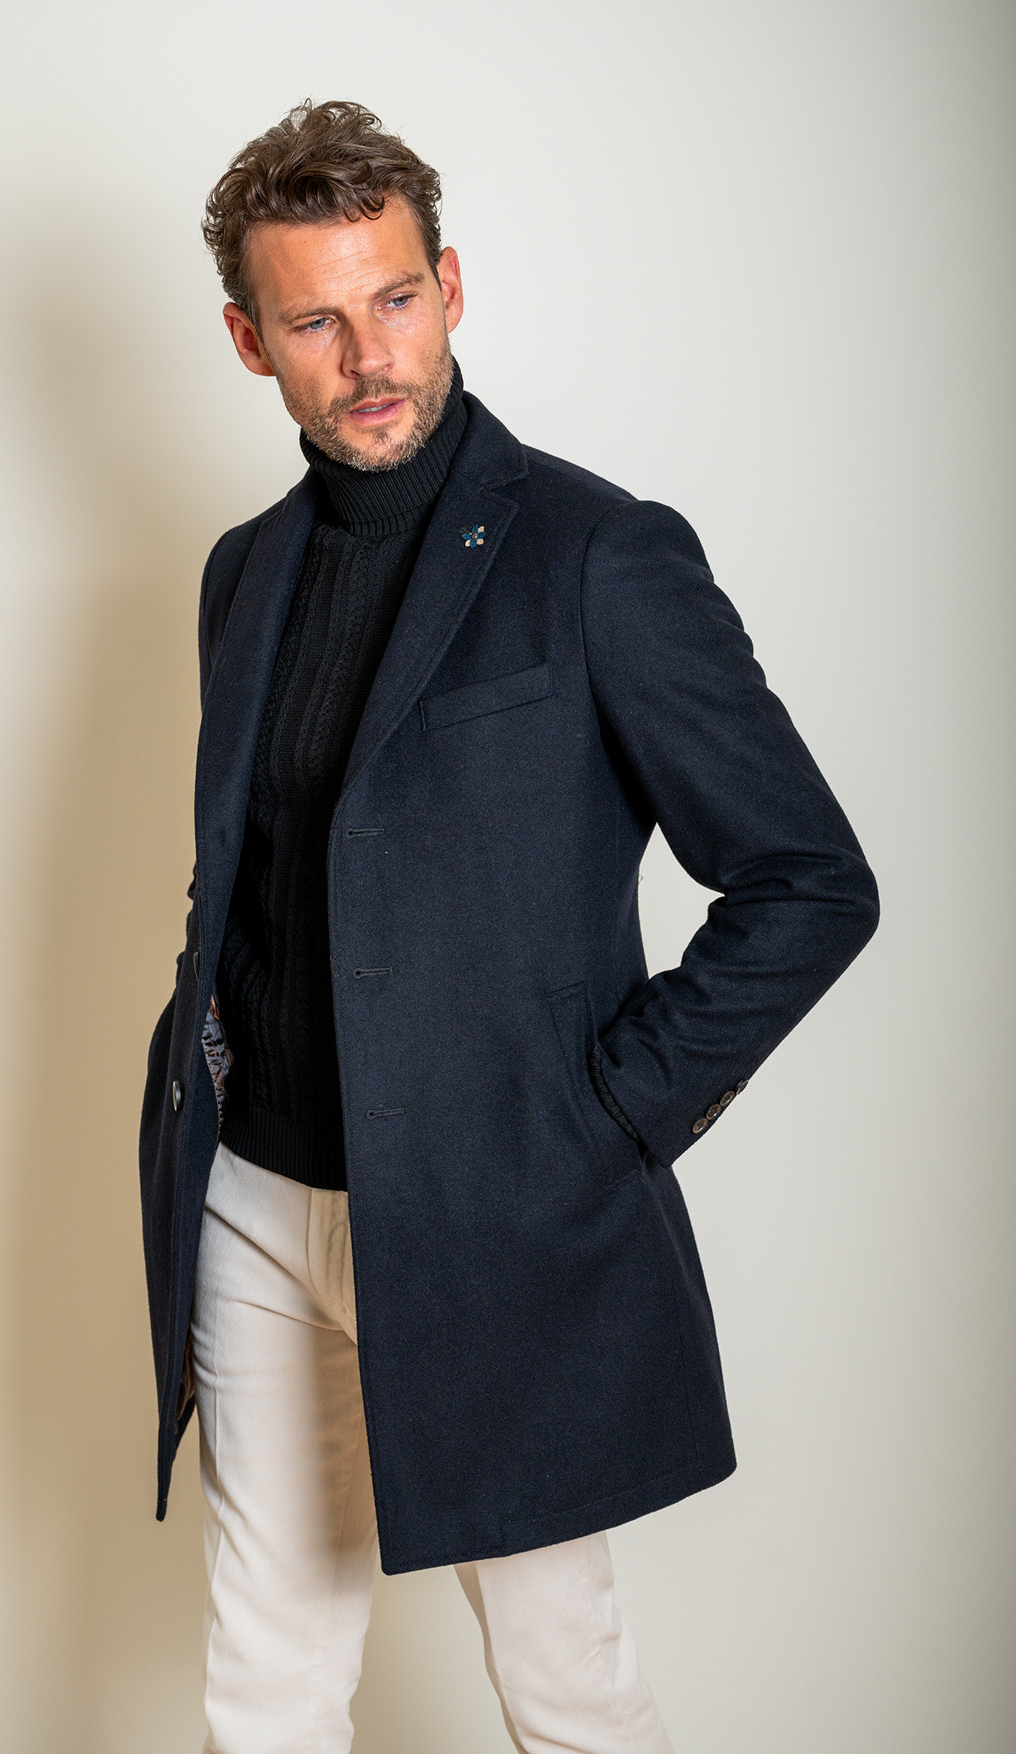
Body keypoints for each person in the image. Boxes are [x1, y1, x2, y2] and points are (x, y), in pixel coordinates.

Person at [138, 97, 880, 1754]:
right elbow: (251, 861)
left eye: (395, 298)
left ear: (451, 285)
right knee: (265, 1675)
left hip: (493, 1211)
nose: (369, 355)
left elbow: (809, 879)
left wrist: (605, 1113)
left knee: (562, 1683)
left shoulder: (598, 553)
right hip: (252, 1196)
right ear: (251, 341)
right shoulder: (240, 574)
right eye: (316, 321)